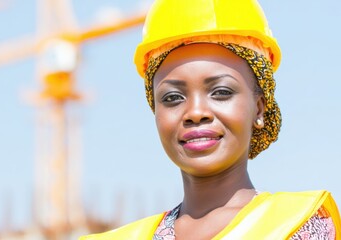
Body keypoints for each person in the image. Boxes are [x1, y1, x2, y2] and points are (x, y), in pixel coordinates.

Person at [81, 0, 341, 239]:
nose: (195, 112)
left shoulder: (298, 225)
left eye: (221, 92)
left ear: (259, 109)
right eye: (172, 97)